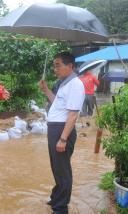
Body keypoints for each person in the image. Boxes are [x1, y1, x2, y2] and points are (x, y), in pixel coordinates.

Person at [39, 52, 85, 214]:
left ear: (70, 66)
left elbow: (72, 114)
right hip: (56, 129)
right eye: (54, 65)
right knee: (56, 167)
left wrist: (63, 139)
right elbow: (56, 104)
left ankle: (61, 208)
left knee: (63, 169)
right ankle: (57, 197)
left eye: (58, 65)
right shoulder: (64, 84)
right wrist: (45, 90)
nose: (55, 69)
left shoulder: (76, 85)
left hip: (62, 131)